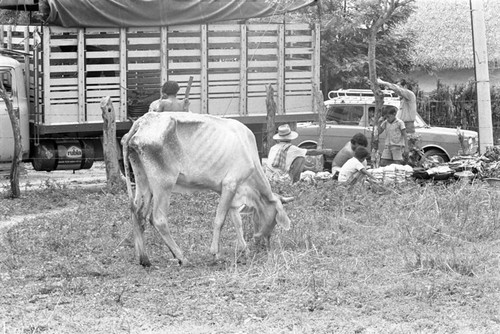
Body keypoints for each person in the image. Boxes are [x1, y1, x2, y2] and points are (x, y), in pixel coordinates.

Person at [265, 124, 333, 183]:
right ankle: (294, 182)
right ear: (290, 138)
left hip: (268, 177)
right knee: (301, 158)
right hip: (279, 178)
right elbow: (311, 152)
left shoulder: (273, 148)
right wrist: (325, 151)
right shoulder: (292, 149)